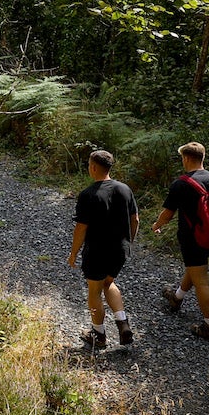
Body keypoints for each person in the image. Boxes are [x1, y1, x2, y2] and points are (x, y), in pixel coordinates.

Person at [152, 141, 209, 342]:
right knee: (196, 268)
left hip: (193, 238)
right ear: (202, 158)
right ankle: (176, 298)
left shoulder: (181, 183)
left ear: (186, 158)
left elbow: (168, 214)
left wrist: (156, 225)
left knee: (201, 279)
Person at [68, 149, 139, 350]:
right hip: (120, 249)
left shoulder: (88, 194)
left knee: (94, 290)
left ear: (93, 167)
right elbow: (135, 220)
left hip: (97, 250)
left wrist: (73, 253)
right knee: (109, 282)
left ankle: (98, 334)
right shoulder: (125, 189)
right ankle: (123, 323)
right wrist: (128, 242)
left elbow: (81, 228)